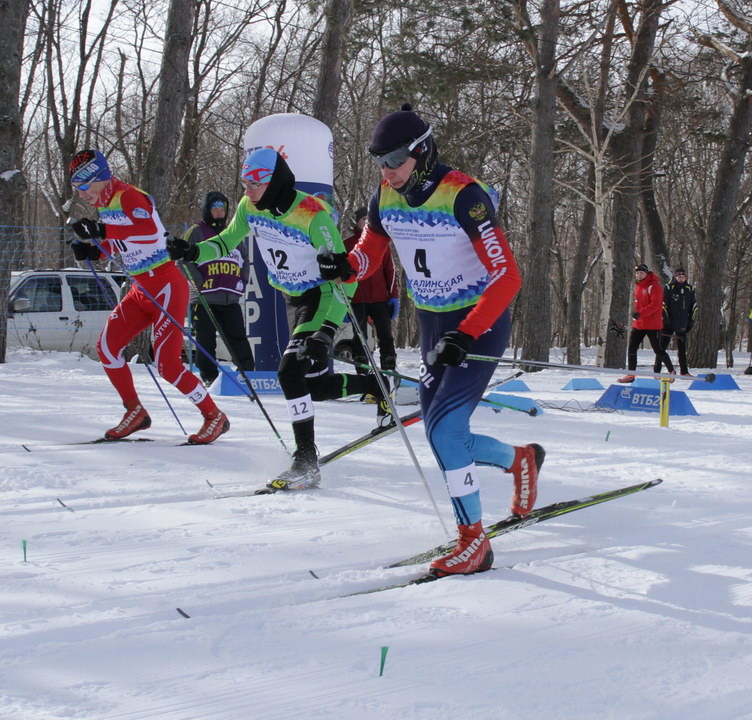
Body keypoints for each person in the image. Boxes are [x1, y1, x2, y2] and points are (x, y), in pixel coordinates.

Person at [318, 104, 542, 577]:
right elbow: (369, 253)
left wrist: (468, 332)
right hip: (433, 325)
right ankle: (519, 460)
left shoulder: (465, 195)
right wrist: (347, 266)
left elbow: (507, 277)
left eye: (394, 160)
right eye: (378, 161)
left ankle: (472, 542)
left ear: (421, 152)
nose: (387, 170)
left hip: (478, 322)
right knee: (445, 436)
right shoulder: (386, 193)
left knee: (442, 427)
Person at [168, 148, 387, 490]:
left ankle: (305, 460)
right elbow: (226, 242)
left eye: (255, 182)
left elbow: (348, 278)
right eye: (245, 182)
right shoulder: (249, 207)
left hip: (321, 297)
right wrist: (194, 251)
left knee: (288, 372)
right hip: (291, 299)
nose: (247, 190)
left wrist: (328, 329)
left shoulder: (313, 215)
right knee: (307, 384)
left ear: (275, 181)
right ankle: (374, 385)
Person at [67, 149, 229, 444]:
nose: (81, 194)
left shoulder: (128, 196)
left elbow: (147, 231)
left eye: (83, 186)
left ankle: (213, 415)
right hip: (141, 288)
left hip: (166, 285)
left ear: (99, 177)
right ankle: (135, 412)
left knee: (167, 365)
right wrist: (95, 250)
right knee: (107, 347)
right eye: (77, 189)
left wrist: (101, 229)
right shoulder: (106, 203)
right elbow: (123, 242)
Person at [179, 190, 255, 386]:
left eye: (223, 210)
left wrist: (242, 281)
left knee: (237, 336)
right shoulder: (197, 231)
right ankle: (208, 376)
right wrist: (198, 281)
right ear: (207, 211)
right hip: (204, 298)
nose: (220, 213)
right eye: (216, 210)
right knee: (205, 339)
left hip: (229, 297)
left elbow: (245, 259)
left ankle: (247, 373)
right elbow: (183, 259)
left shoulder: (232, 232)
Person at [344, 206, 400, 379]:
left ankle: (388, 370)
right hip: (357, 300)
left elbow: (390, 272)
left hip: (379, 298)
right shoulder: (347, 244)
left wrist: (394, 297)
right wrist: (342, 302)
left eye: (370, 220)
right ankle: (362, 373)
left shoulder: (381, 243)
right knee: (359, 336)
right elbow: (341, 277)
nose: (367, 223)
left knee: (385, 335)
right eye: (363, 220)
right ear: (357, 222)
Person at [618, 264, 675, 382]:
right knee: (632, 348)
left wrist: (640, 313)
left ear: (647, 273)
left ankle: (671, 371)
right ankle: (631, 375)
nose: (639, 275)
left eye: (641, 273)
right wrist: (637, 315)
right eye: (637, 273)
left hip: (653, 324)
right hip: (639, 324)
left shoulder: (654, 286)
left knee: (658, 350)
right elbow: (638, 304)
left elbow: (655, 305)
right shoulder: (638, 287)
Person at [660, 268, 696, 376]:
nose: (681, 279)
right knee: (661, 348)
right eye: (679, 277)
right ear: (675, 277)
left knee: (682, 349)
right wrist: (666, 320)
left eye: (683, 277)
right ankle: (657, 371)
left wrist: (691, 322)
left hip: (682, 323)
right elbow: (663, 305)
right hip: (669, 323)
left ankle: (684, 371)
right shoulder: (669, 287)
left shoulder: (689, 288)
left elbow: (694, 307)